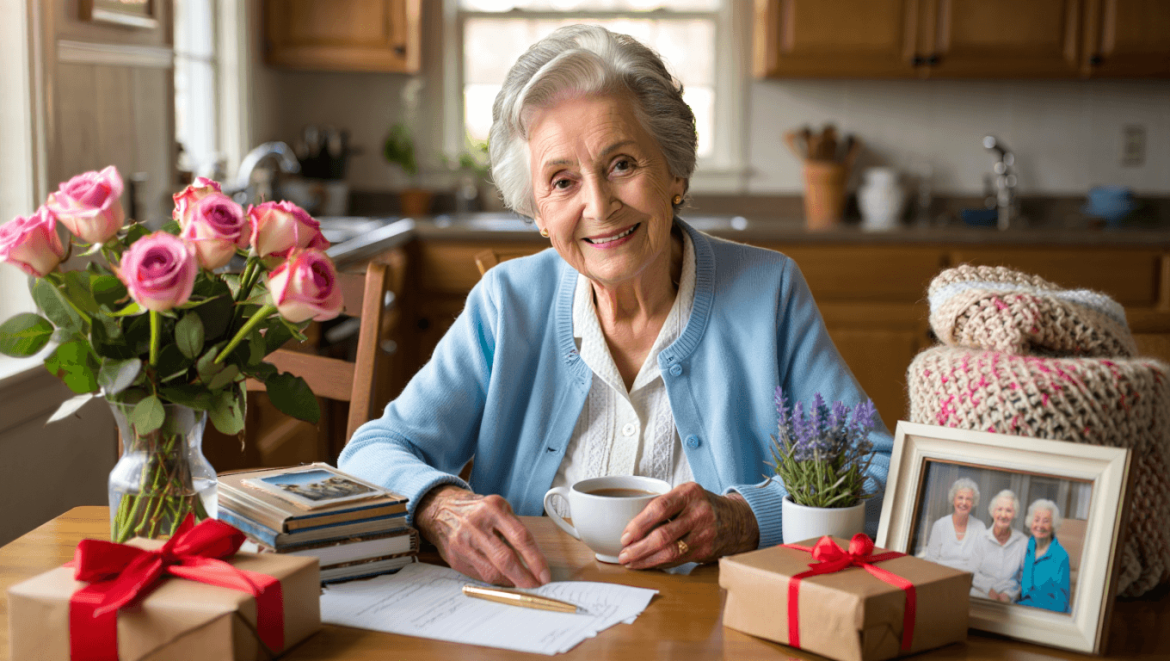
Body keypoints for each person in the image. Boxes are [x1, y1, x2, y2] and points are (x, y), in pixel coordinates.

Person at [338, 24, 892, 588]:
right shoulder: (507, 303)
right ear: (537, 212)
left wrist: (747, 519)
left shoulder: (768, 291)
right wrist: (441, 507)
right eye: (561, 181)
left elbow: (880, 470)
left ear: (675, 171)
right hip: (532, 616)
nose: (598, 205)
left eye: (622, 164)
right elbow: (372, 452)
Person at [969, 489, 1028, 602]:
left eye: (1008, 510)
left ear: (1014, 514)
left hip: (1008, 600)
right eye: (999, 509)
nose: (1003, 515)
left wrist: (1009, 594)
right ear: (992, 512)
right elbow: (971, 573)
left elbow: (1024, 578)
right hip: (980, 595)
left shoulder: (1022, 541)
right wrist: (990, 591)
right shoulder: (980, 538)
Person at [1018, 499, 1071, 613]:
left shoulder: (1061, 556)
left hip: (1047, 615)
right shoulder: (1024, 547)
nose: (1040, 525)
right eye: (1036, 520)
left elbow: (1060, 603)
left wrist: (1024, 607)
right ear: (1031, 522)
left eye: (1046, 521)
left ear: (1053, 525)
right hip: (1023, 609)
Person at [923, 478, 985, 572]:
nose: (964, 503)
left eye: (968, 499)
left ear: (973, 503)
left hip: (967, 580)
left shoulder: (979, 527)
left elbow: (980, 562)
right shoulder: (940, 525)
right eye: (960, 498)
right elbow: (931, 560)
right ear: (953, 499)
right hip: (941, 578)